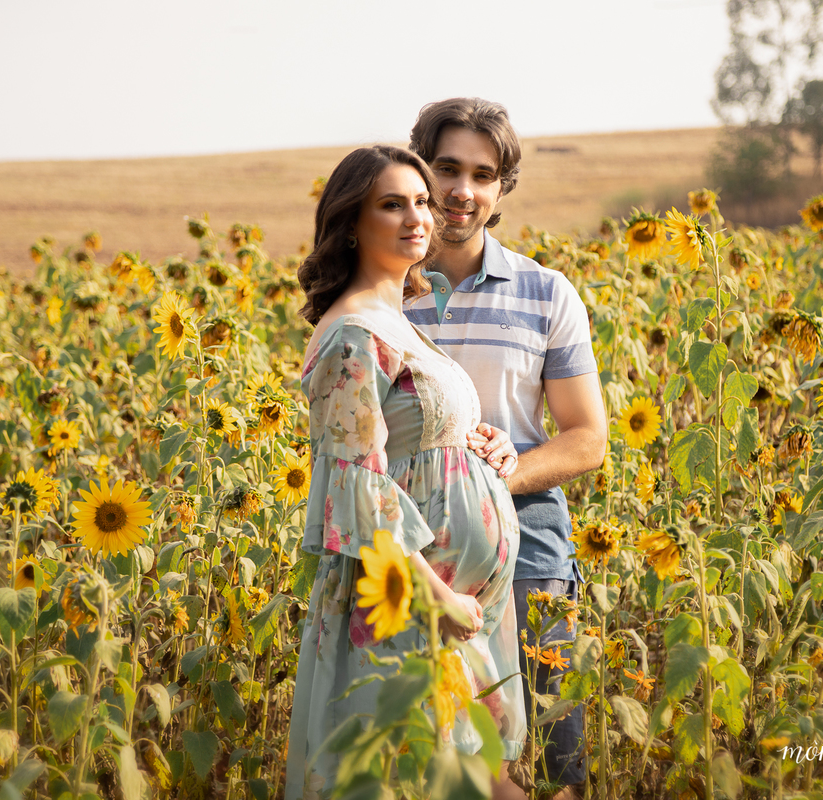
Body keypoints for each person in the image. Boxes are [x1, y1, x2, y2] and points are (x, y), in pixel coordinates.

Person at [285, 145, 528, 800]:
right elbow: (354, 482)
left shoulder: (397, 322)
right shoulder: (354, 334)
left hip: (448, 618)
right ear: (350, 223)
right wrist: (438, 597)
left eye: (421, 200)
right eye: (391, 204)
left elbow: (415, 443)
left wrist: (480, 442)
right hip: (402, 610)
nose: (416, 216)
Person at [405, 98, 608, 799]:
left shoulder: (545, 293)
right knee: (439, 763)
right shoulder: (379, 292)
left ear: (500, 190)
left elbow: (587, 438)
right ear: (417, 173)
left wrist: (508, 470)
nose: (462, 190)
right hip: (413, 555)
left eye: (482, 174)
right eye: (447, 168)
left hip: (529, 550)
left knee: (554, 759)